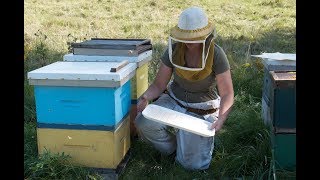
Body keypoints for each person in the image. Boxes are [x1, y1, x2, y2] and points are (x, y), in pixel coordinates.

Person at [135, 6, 234, 170]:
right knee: (144, 123)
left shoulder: (216, 53)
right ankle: (173, 150)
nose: (189, 42)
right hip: (174, 100)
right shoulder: (174, 50)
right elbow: (159, 84)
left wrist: (221, 118)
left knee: (194, 166)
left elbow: (227, 93)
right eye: (186, 37)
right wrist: (146, 97)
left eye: (194, 38)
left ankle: (189, 152)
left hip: (203, 107)